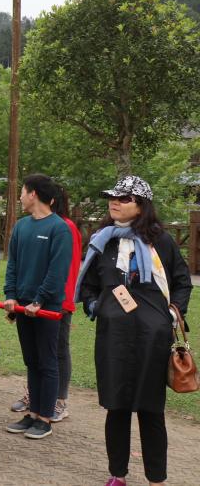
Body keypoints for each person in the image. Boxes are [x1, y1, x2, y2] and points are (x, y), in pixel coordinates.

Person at [77, 176, 191, 486]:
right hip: (113, 338)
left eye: (124, 198)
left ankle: (156, 479)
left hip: (152, 340)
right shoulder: (103, 240)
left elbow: (182, 282)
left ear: (141, 206)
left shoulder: (161, 241)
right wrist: (96, 306)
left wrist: (172, 313)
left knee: (151, 411)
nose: (114, 202)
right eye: (112, 197)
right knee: (116, 408)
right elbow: (88, 285)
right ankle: (118, 475)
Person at [3, 174, 72, 439]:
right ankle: (32, 413)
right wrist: (11, 295)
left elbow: (57, 271)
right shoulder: (21, 227)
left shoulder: (59, 228)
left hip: (47, 308)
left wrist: (39, 300)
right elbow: (12, 264)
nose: (20, 197)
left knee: (47, 361)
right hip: (23, 306)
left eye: (22, 192)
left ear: (33, 194)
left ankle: (45, 418)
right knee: (31, 361)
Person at [13, 185, 83, 419]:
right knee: (35, 358)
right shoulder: (26, 225)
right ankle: (36, 402)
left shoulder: (64, 227)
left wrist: (57, 300)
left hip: (56, 302)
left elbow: (65, 268)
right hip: (32, 302)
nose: (21, 197)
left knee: (55, 354)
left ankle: (57, 402)